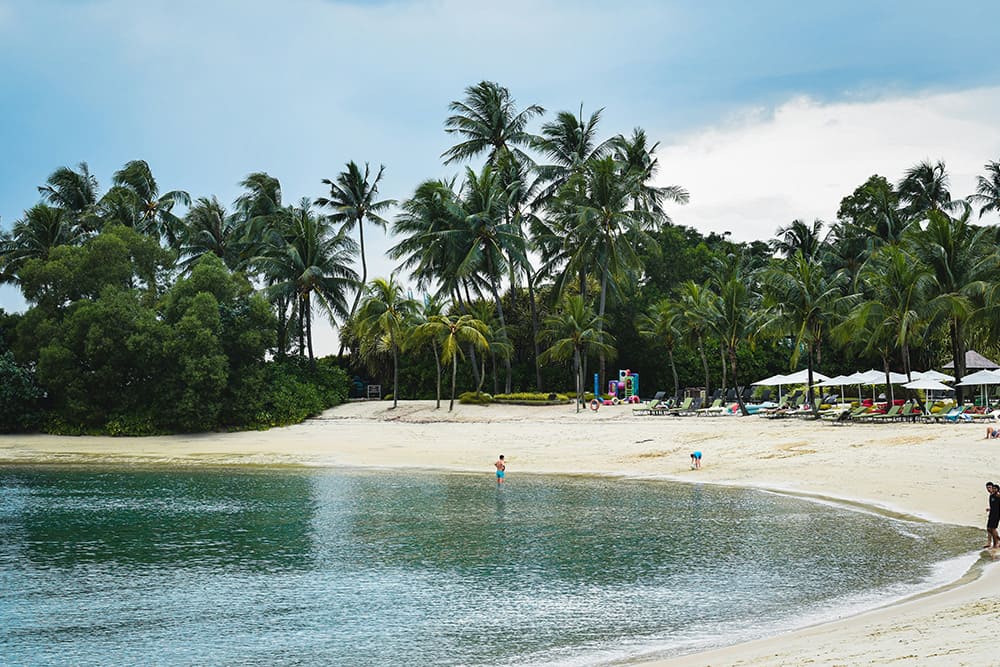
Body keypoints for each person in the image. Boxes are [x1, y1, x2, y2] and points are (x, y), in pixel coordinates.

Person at [984, 482, 1000, 549]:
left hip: (997, 514)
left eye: (990, 488)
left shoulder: (997, 495)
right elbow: (995, 505)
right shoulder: (991, 496)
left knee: (993, 529)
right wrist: (990, 509)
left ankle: (996, 544)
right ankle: (993, 542)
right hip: (992, 513)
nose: (989, 489)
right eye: (987, 488)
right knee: (989, 528)